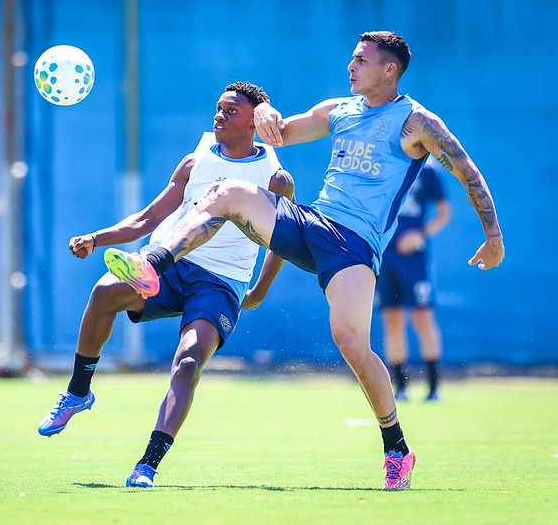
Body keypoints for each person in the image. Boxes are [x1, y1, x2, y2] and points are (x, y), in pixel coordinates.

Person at [103, 31, 504, 491]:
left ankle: (397, 449)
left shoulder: (416, 122)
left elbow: (468, 171)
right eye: (352, 58)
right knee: (226, 191)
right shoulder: (340, 110)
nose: (351, 66)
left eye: (361, 60)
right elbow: (278, 132)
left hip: (355, 246)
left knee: (351, 343)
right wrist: (266, 109)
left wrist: (493, 236)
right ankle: (153, 264)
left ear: (389, 69)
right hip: (312, 222)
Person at [37, 81, 295, 489]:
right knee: (104, 293)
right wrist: (96, 238)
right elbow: (148, 218)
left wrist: (259, 291)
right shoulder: (196, 160)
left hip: (220, 284)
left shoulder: (276, 178)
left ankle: (147, 465)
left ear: (253, 122)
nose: (220, 115)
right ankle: (77, 392)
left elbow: (282, 242)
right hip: (170, 263)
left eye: (231, 110)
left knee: (189, 362)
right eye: (218, 107)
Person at [376, 158, 451, 402]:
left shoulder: (427, 169)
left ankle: (434, 388)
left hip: (414, 259)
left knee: (423, 318)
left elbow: (444, 213)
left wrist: (420, 234)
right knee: (392, 320)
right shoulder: (383, 159)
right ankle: (401, 387)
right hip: (384, 255)